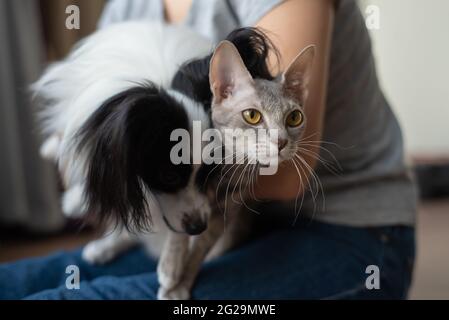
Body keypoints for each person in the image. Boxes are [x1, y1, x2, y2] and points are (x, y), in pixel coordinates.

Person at [0, 0, 416, 299]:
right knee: (17, 284)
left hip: (345, 231)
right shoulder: (129, 11)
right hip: (219, 232)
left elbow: (286, 173)